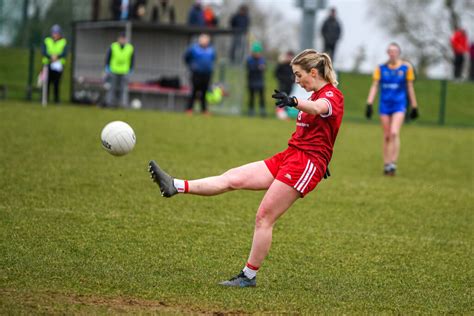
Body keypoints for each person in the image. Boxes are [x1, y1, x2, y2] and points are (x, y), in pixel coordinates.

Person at [148, 49, 343, 287]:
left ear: (313, 72)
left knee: (264, 217)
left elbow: (321, 109)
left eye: (298, 75)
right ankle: (174, 185)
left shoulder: (331, 95)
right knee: (232, 178)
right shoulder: (312, 95)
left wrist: (294, 102)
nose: (296, 80)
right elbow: (321, 130)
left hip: (305, 164)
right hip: (291, 156)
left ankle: (248, 276)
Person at [365, 42, 419, 176]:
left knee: (394, 132)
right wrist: (369, 103)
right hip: (385, 105)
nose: (392, 53)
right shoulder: (381, 68)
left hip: (399, 105)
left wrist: (414, 106)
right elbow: (375, 86)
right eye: (389, 51)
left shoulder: (406, 68)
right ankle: (386, 163)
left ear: (398, 53)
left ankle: (393, 163)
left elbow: (410, 87)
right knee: (387, 135)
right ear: (387, 53)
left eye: (394, 51)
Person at [184, 33, 216, 115]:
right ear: (199, 41)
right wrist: (192, 66)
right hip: (196, 73)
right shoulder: (194, 49)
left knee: (204, 92)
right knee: (194, 91)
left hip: (207, 73)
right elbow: (186, 58)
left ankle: (204, 110)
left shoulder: (211, 50)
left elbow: (213, 59)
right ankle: (189, 109)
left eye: (206, 40)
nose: (205, 42)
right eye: (203, 40)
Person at [105, 33, 134, 108]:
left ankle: (122, 104)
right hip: (113, 70)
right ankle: (110, 103)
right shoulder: (113, 46)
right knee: (112, 88)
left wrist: (131, 69)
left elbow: (132, 60)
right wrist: (107, 67)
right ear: (118, 39)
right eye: (121, 38)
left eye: (124, 38)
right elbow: (108, 57)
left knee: (123, 89)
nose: (122, 40)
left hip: (125, 71)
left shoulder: (130, 48)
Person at [42, 24, 68, 104]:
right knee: (47, 82)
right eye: (54, 33)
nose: (55, 34)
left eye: (57, 33)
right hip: (47, 64)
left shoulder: (63, 41)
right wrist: (51, 57)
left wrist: (57, 57)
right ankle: (45, 99)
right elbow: (44, 52)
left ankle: (56, 100)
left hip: (58, 65)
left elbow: (64, 53)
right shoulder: (47, 40)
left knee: (56, 83)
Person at [246, 42, 266, 117]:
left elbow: (264, 67)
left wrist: (262, 67)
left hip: (260, 81)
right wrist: (258, 67)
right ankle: (251, 111)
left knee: (261, 97)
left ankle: (262, 111)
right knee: (252, 97)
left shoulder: (262, 59)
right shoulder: (249, 59)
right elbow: (250, 68)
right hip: (252, 80)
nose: (258, 53)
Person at [275, 51, 296, 120]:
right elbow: (276, 74)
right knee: (281, 99)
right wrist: (283, 79)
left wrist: (293, 80)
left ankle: (286, 114)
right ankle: (280, 114)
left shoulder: (293, 66)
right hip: (282, 85)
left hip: (290, 86)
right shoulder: (281, 65)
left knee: (288, 100)